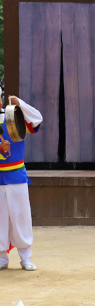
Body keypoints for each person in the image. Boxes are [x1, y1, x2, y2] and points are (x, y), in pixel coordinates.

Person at [0, 93, 43, 271]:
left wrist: (21, 104)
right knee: (0, 218)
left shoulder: (13, 115)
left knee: (21, 215)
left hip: (16, 174)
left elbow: (37, 119)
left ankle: (25, 257)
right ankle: (2, 258)